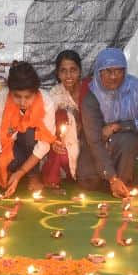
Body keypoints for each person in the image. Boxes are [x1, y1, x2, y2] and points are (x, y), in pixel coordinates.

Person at [77, 47, 138, 198]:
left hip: (124, 142)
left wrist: (119, 126)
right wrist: (112, 177)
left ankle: (123, 178)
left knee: (129, 139)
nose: (114, 76)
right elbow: (95, 142)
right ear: (99, 72)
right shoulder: (90, 98)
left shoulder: (136, 89)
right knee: (88, 181)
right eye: (108, 71)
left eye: (119, 71)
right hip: (98, 147)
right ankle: (116, 178)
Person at [0, 61, 57, 198]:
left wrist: (20, 172)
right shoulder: (0, 100)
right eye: (17, 96)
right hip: (11, 148)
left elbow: (44, 144)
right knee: (8, 164)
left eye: (28, 97)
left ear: (36, 92)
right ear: (10, 91)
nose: (23, 102)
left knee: (29, 135)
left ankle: (33, 174)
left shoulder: (47, 103)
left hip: (32, 146)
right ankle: (13, 172)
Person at [40, 50, 85, 188]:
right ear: (58, 74)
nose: (68, 76)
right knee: (61, 115)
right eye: (63, 71)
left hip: (88, 145)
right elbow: (44, 124)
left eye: (73, 70)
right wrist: (53, 141)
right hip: (64, 145)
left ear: (80, 71)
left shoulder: (89, 89)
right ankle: (54, 174)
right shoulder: (55, 94)